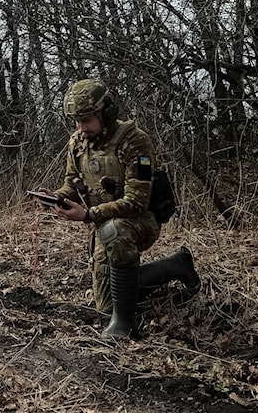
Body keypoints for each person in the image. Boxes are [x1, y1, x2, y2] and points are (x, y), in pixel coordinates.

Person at [33, 78, 200, 339]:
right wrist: (56, 197)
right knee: (106, 303)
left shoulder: (135, 142)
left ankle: (125, 325)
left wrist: (88, 215)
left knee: (115, 231)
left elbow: (136, 202)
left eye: (86, 120)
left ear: (106, 113)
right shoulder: (77, 143)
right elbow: (71, 183)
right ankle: (176, 265)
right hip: (105, 225)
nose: (80, 127)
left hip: (140, 221)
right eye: (76, 121)